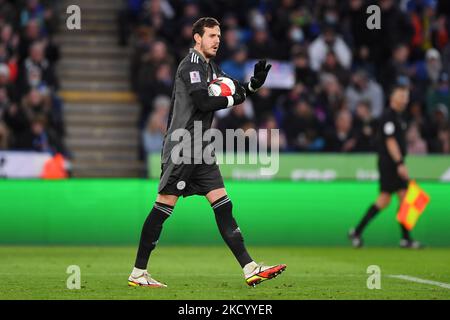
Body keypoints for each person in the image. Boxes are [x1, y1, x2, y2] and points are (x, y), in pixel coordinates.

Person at [128, 17, 286, 288]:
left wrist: (251, 86)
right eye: (211, 35)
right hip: (182, 146)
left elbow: (233, 87)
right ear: (197, 38)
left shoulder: (210, 66)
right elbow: (203, 100)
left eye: (219, 37)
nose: (217, 40)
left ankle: (250, 267)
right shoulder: (191, 64)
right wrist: (232, 98)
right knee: (164, 207)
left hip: (201, 148)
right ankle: (138, 272)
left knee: (223, 204)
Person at [348, 84, 422, 249]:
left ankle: (404, 238)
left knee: (400, 197)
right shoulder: (389, 116)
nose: (404, 99)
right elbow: (390, 141)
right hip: (390, 163)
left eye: (406, 96)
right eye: (401, 95)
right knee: (386, 199)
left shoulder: (399, 117)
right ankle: (358, 232)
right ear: (392, 97)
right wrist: (399, 163)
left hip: (393, 163)